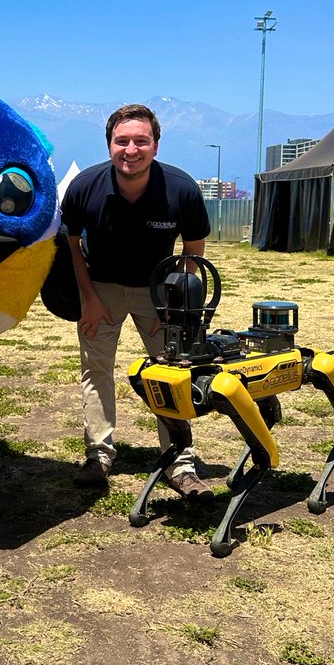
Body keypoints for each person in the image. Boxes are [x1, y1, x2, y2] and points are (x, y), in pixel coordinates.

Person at [60, 103, 212, 496]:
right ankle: (99, 455)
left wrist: (172, 305)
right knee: (96, 370)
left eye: (140, 141)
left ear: (156, 146)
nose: (131, 150)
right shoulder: (84, 188)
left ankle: (179, 463)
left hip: (158, 289)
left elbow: (193, 252)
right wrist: (88, 299)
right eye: (121, 141)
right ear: (109, 145)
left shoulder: (181, 189)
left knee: (171, 373)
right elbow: (72, 246)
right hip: (101, 288)